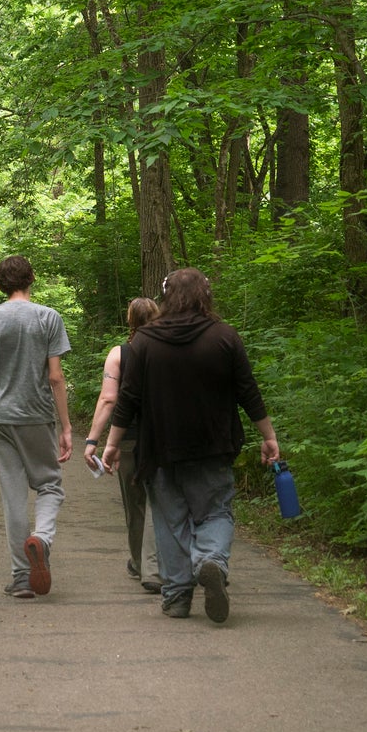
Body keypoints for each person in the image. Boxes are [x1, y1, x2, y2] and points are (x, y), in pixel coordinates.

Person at [100, 267, 278, 624]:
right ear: (206, 295)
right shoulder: (225, 337)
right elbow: (248, 391)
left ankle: (178, 597)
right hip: (214, 446)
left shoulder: (145, 341)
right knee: (214, 512)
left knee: (170, 521)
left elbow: (128, 399)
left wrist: (111, 443)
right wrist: (268, 436)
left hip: (161, 450)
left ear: (166, 297)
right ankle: (211, 560)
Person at [0, 254, 73, 599]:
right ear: (32, 278)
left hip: (0, 416)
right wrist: (66, 426)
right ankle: (41, 539)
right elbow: (56, 377)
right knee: (50, 485)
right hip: (37, 413)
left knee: (13, 494)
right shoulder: (48, 317)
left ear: (0, 283)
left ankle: (21, 577)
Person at [82, 296, 163, 593]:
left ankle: (141, 563)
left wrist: (94, 440)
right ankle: (157, 567)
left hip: (128, 438)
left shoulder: (119, 354)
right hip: (164, 437)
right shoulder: (169, 349)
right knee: (161, 501)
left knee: (135, 504)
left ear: (129, 321)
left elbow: (108, 399)